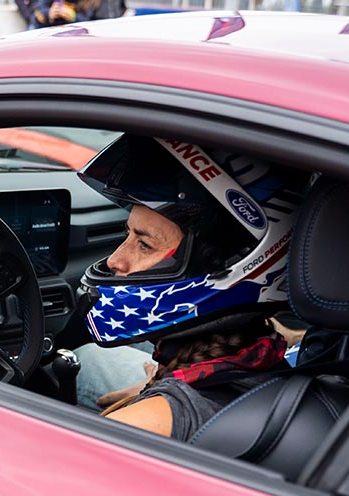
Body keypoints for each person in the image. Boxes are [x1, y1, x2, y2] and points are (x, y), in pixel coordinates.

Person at [73, 134, 309, 441]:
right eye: (127, 234)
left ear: (219, 263)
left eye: (144, 245)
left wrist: (156, 400)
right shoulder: (301, 348)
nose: (114, 261)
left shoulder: (148, 422)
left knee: (87, 360)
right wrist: (162, 383)